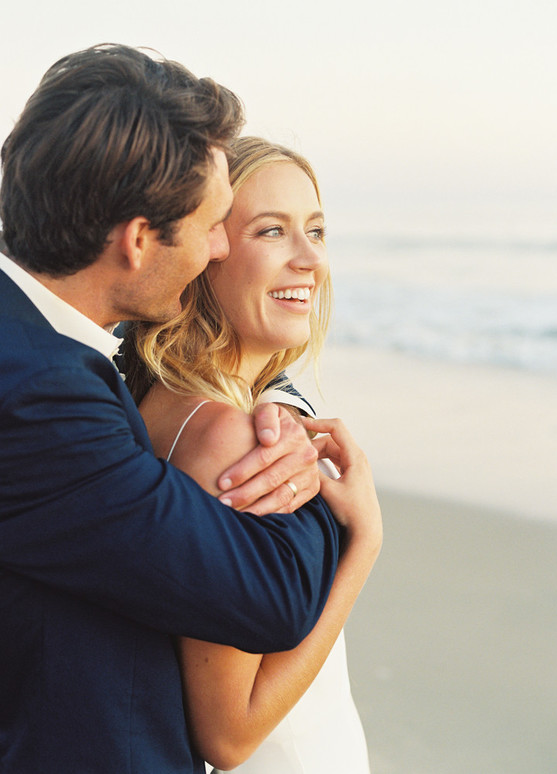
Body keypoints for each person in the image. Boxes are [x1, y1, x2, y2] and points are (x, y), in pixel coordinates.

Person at [0, 45, 376, 774]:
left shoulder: (74, 361)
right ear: (139, 240)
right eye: (220, 225)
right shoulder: (44, 397)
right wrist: (358, 529)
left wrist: (281, 403)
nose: (214, 248)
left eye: (316, 228)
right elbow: (267, 598)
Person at [124, 136, 382, 773]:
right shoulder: (228, 437)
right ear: (207, 251)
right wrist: (365, 543)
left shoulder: (175, 400)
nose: (310, 260)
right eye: (272, 231)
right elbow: (230, 733)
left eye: (316, 230)